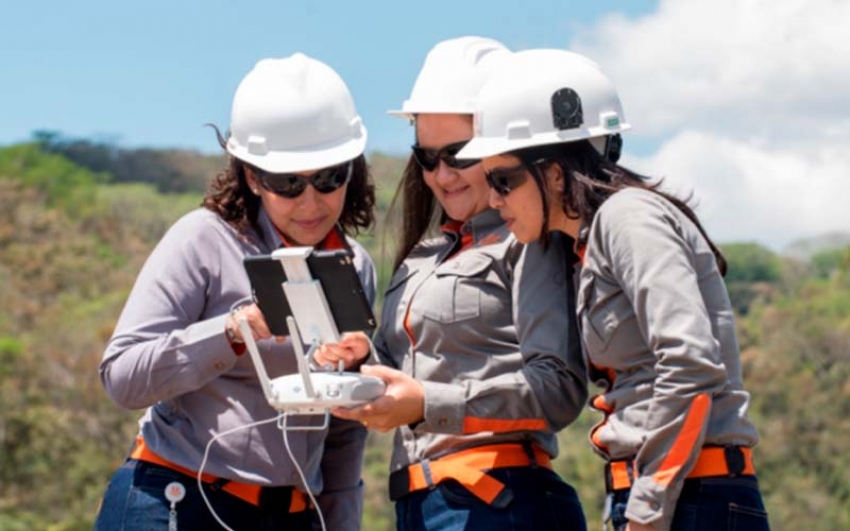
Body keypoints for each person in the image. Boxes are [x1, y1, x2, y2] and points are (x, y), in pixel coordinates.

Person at [456, 48, 772, 531]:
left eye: (503, 179)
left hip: (689, 497)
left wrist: (649, 506)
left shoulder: (628, 218)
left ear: (555, 174)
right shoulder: (584, 244)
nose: (494, 198)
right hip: (666, 493)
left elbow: (690, 365)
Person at [94, 53, 377, 531]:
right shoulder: (203, 240)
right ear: (251, 176)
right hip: (174, 502)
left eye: (330, 178)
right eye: (288, 183)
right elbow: (122, 377)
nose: (311, 203)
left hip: (292, 516)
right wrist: (234, 330)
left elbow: (343, 433)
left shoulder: (355, 266)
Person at [318, 37, 588, 531]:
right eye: (426, 158)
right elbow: (405, 380)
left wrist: (427, 403)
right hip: (422, 507)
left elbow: (558, 390)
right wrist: (361, 363)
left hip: (501, 503)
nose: (441, 176)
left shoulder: (530, 241)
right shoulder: (420, 258)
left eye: (458, 155)